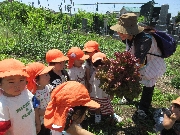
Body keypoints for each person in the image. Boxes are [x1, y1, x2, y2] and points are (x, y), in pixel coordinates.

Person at [110, 13, 166, 119]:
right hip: (139, 61)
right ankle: (128, 97)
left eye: (122, 30)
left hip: (151, 62)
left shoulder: (145, 39)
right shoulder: (128, 36)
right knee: (132, 78)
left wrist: (122, 72)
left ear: (131, 30)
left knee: (148, 84)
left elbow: (137, 61)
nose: (119, 32)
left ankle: (143, 108)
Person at [0, 58, 36, 135]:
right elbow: (4, 130)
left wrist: (37, 123)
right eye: (11, 82)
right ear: (1, 84)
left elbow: (33, 105)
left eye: (21, 80)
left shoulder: (25, 91)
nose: (17, 85)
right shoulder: (3, 104)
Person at [89, 52, 123, 123]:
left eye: (102, 65)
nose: (99, 67)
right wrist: (90, 90)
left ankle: (113, 116)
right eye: (97, 65)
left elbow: (111, 85)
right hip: (95, 94)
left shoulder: (108, 74)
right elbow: (91, 82)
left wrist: (112, 93)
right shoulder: (94, 73)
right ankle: (97, 117)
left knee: (108, 106)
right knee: (97, 106)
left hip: (104, 94)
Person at [26, 62, 54, 135]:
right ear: (36, 80)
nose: (49, 77)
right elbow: (36, 111)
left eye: (48, 74)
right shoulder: (34, 94)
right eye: (46, 75)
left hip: (48, 119)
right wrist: (38, 124)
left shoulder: (48, 87)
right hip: (40, 123)